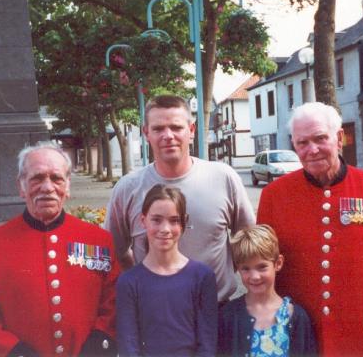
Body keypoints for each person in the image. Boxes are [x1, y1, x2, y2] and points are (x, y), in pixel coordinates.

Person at [257, 102, 363, 357]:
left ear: (339, 137)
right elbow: (262, 267)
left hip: (361, 337)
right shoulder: (274, 196)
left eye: (320, 138)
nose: (312, 150)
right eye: (302, 143)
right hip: (297, 336)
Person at [0, 142, 119, 357]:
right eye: (37, 178)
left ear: (67, 186)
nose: (47, 187)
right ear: (21, 187)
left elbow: (113, 302)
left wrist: (97, 347)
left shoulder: (99, 240)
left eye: (56, 178)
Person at [106, 94, 255, 304]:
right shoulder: (127, 189)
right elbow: (116, 251)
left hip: (217, 313)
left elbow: (247, 239)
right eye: (158, 129)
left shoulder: (223, 178)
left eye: (176, 127)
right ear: (146, 133)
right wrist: (141, 281)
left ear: (191, 131)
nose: (168, 135)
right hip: (155, 314)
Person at [116, 184, 218, 356]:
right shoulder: (129, 282)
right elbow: (128, 345)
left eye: (174, 220)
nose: (165, 229)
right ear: (143, 220)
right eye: (156, 220)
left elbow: (207, 343)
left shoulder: (202, 277)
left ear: (184, 222)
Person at [218, 225, 317, 357]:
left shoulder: (296, 316)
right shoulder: (228, 315)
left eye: (262, 267)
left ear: (278, 263)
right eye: (246, 268)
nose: (254, 276)